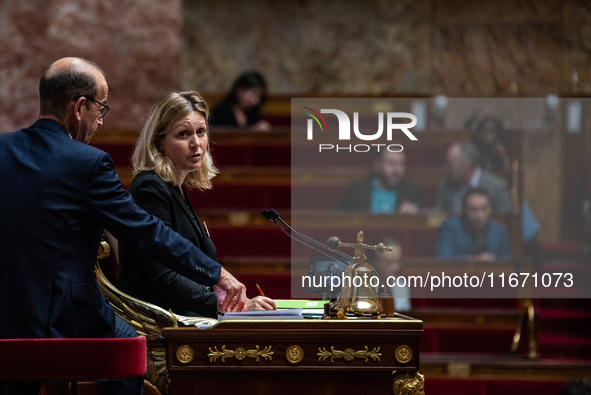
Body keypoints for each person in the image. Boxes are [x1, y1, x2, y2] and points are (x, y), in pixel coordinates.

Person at [0, 58, 244, 395]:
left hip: (6, 313)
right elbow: (146, 232)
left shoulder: (2, 150)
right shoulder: (88, 163)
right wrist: (217, 273)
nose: (100, 120)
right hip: (63, 316)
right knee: (130, 349)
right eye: (101, 109)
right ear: (79, 107)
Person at [117, 91, 276, 317]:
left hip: (184, 315)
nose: (196, 143)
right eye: (183, 134)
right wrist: (225, 307)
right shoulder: (149, 188)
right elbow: (166, 277)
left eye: (200, 132)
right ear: (159, 142)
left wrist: (236, 302)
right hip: (160, 323)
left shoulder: (174, 187)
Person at [335, 150, 423, 214]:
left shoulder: (413, 192)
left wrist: (415, 211)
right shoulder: (356, 190)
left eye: (401, 164)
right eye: (391, 164)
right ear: (376, 165)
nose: (397, 170)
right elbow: (337, 217)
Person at [436, 141, 512, 215]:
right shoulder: (446, 185)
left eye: (450, 165)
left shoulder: (497, 187)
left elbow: (504, 220)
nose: (446, 169)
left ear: (466, 164)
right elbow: (439, 216)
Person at [436, 188, 510, 260]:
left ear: (490, 209)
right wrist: (476, 259)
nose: (479, 216)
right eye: (473, 210)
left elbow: (507, 264)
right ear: (464, 210)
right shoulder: (450, 228)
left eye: (484, 209)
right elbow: (444, 260)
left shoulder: (500, 231)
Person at [366, 237, 411, 312]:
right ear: (374, 263)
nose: (395, 267)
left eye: (398, 261)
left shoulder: (401, 286)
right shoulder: (363, 287)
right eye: (388, 262)